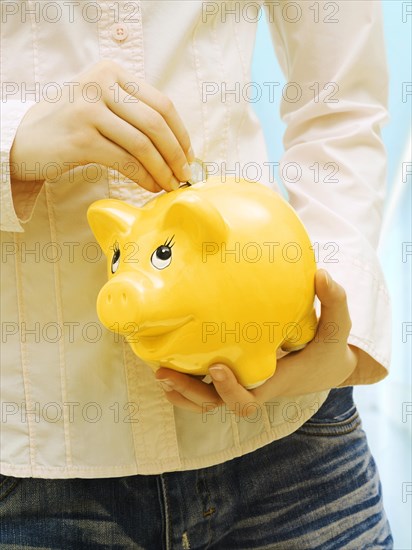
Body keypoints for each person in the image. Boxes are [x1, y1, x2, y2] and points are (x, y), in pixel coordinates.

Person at [0, 1, 393, 548]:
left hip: (291, 432)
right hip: (34, 457)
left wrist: (329, 330)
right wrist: (11, 143)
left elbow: (342, 103)